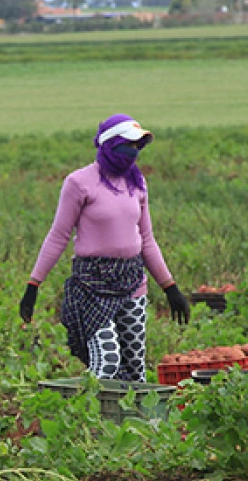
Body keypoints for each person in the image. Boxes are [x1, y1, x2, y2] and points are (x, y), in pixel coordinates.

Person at [19, 114, 190, 382]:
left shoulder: (137, 182)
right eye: (127, 146)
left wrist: (170, 287)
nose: (133, 153)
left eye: (138, 147)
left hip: (132, 281)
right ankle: (92, 419)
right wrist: (33, 284)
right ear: (110, 146)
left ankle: (131, 422)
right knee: (108, 360)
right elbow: (58, 236)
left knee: (135, 366)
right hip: (92, 286)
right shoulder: (79, 183)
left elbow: (147, 239)